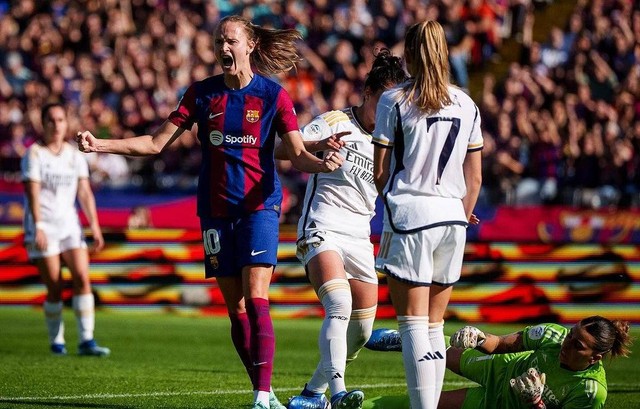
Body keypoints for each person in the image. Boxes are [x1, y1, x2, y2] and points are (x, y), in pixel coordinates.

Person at [76, 15, 343, 409]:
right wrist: (100, 145)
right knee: (235, 311)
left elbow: (297, 153)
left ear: (249, 45)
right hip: (216, 212)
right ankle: (265, 391)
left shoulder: (273, 96)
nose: (223, 48)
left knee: (256, 299)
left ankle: (259, 394)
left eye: (230, 41)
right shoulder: (202, 94)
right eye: (218, 41)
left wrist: (321, 162)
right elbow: (154, 143)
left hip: (259, 208)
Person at [277, 49, 408, 409]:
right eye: (383, 102)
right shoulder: (336, 121)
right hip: (324, 225)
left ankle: (312, 393)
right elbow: (279, 148)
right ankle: (338, 395)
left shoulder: (392, 142)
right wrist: (319, 155)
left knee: (362, 332)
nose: (388, 112)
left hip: (360, 237)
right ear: (367, 94)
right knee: (339, 304)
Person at [371, 20, 483, 409]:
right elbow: (476, 176)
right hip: (453, 218)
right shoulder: (467, 103)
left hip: (411, 215)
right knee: (435, 324)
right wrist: (463, 212)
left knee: (413, 323)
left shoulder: (394, 100)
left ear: (411, 52)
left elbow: (380, 171)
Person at [362, 315, 633, 409]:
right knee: (438, 350)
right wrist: (479, 337)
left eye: (577, 345)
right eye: (571, 334)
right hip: (499, 368)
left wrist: (536, 402)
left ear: (595, 358)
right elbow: (504, 344)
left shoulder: (590, 391)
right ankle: (406, 341)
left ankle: (351, 404)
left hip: (497, 403)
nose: (566, 343)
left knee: (421, 404)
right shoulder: (553, 334)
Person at [21, 102, 110, 357]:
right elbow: (32, 193)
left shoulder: (74, 155)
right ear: (43, 123)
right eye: (52, 120)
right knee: (55, 285)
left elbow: (84, 192)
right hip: (44, 225)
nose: (57, 125)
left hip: (70, 225)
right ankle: (57, 341)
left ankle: (87, 340)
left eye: (61, 120)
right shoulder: (34, 154)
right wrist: (37, 226)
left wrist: (94, 226)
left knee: (82, 277)